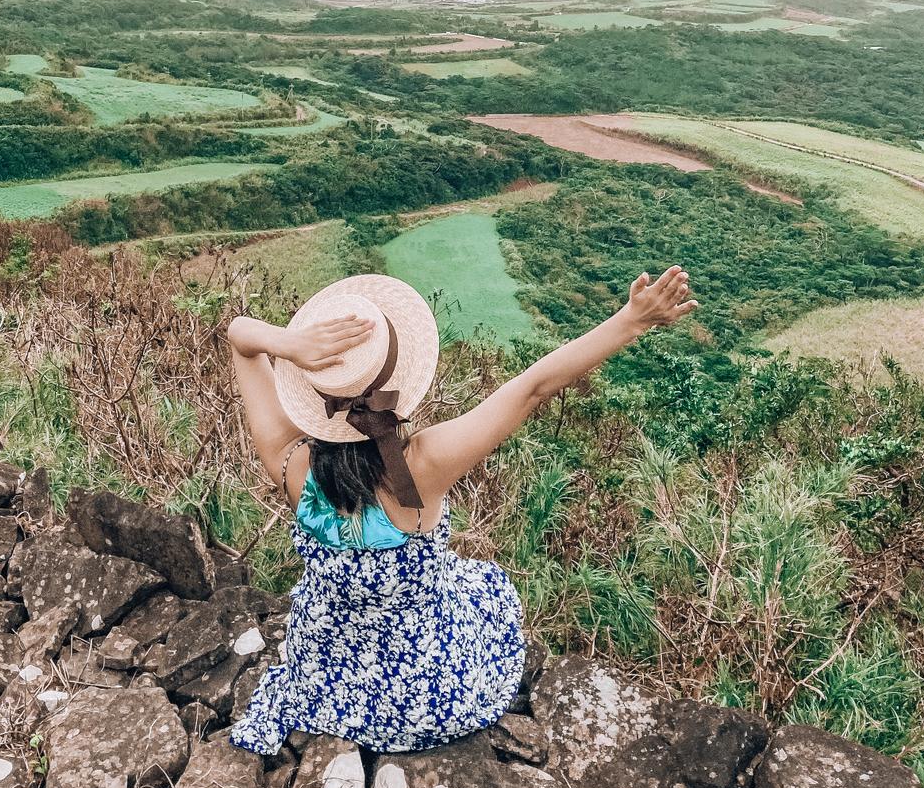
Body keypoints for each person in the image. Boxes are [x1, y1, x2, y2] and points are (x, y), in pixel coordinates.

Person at [226, 265, 697, 755]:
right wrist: (632, 319)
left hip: (329, 676)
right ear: (399, 387)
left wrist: (290, 344)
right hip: (427, 697)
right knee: (481, 585)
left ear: (311, 396)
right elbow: (534, 387)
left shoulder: (290, 463)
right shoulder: (420, 468)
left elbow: (240, 336)